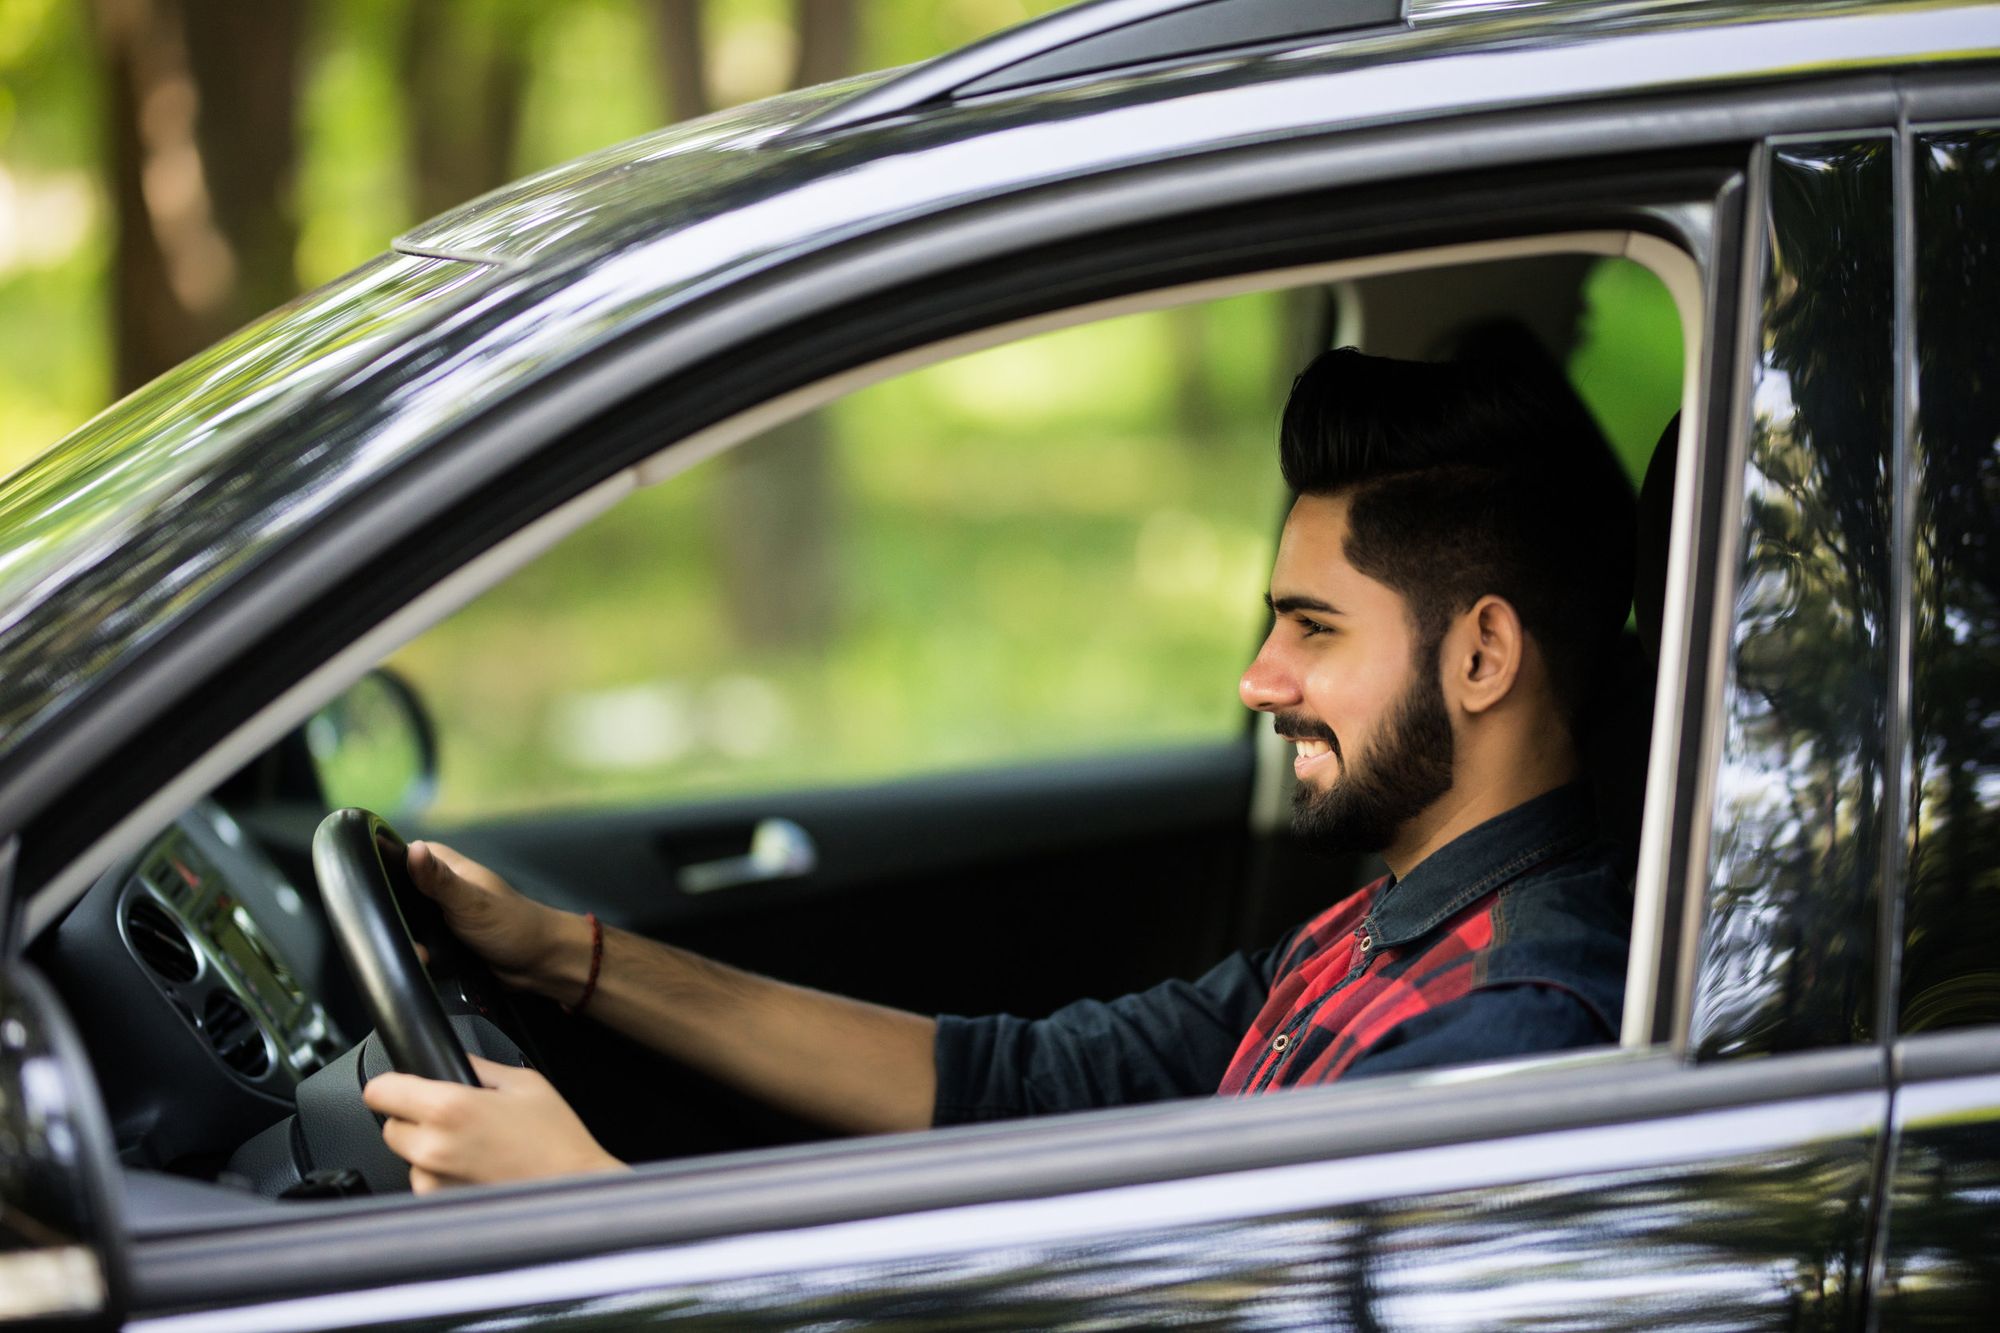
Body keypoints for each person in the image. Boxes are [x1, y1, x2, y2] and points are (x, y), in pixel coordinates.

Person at [362, 347, 1638, 1193]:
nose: (1257, 678)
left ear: (1480, 657)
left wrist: (587, 1215)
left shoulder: (1506, 1031)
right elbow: (1003, 1083)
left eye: (1311, 627)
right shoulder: (1387, 929)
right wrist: (566, 957)